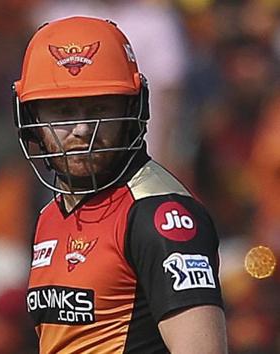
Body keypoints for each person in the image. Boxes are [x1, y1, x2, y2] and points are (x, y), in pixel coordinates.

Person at [13, 17, 227, 353]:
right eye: (64, 111)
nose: (83, 130)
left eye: (100, 109)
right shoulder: (50, 216)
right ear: (31, 120)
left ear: (134, 107)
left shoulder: (160, 216)